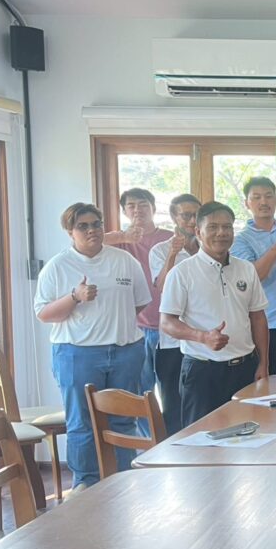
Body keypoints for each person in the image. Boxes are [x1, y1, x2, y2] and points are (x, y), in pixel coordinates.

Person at [34, 202, 150, 490]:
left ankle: (123, 482)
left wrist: (113, 323)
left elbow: (139, 303)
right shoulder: (58, 266)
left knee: (123, 420)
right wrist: (74, 297)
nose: (91, 231)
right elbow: (44, 314)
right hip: (77, 354)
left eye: (96, 224)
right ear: (70, 232)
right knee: (82, 424)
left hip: (125, 351)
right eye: (82, 226)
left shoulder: (125, 261)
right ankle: (85, 484)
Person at [159, 201, 270, 426]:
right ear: (198, 232)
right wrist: (202, 337)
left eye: (227, 227)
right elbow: (167, 322)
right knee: (202, 437)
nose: (221, 233)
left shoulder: (246, 268)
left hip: (245, 369)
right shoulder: (182, 272)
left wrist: (264, 363)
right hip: (202, 372)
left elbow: (258, 317)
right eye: (213, 227)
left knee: (250, 434)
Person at [104, 188, 173, 429]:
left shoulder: (169, 238)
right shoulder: (120, 241)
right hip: (137, 328)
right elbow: (87, 242)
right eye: (131, 206)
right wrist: (123, 236)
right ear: (124, 211)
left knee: (170, 390)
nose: (137, 210)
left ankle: (170, 440)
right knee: (141, 393)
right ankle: (150, 442)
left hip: (170, 326)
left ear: (153, 208)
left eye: (143, 204)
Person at [230, 176, 276, 375]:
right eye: (256, 197)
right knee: (266, 382)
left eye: (269, 196)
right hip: (267, 324)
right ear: (247, 203)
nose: (264, 202)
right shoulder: (241, 241)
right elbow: (253, 276)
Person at [147, 193, 201, 435]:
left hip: (204, 341)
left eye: (196, 215)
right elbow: (161, 286)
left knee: (202, 408)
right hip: (173, 343)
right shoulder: (160, 250)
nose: (192, 221)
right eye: (186, 215)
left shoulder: (209, 248)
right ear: (174, 217)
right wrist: (172, 254)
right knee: (174, 409)